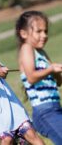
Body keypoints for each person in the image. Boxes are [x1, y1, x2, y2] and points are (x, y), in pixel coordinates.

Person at [16, 10, 62, 145]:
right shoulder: (26, 48)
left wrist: (56, 73)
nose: (44, 35)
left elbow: (58, 82)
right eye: (39, 31)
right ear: (24, 33)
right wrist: (50, 69)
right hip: (44, 112)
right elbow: (31, 77)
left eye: (45, 31)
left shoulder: (41, 52)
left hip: (54, 108)